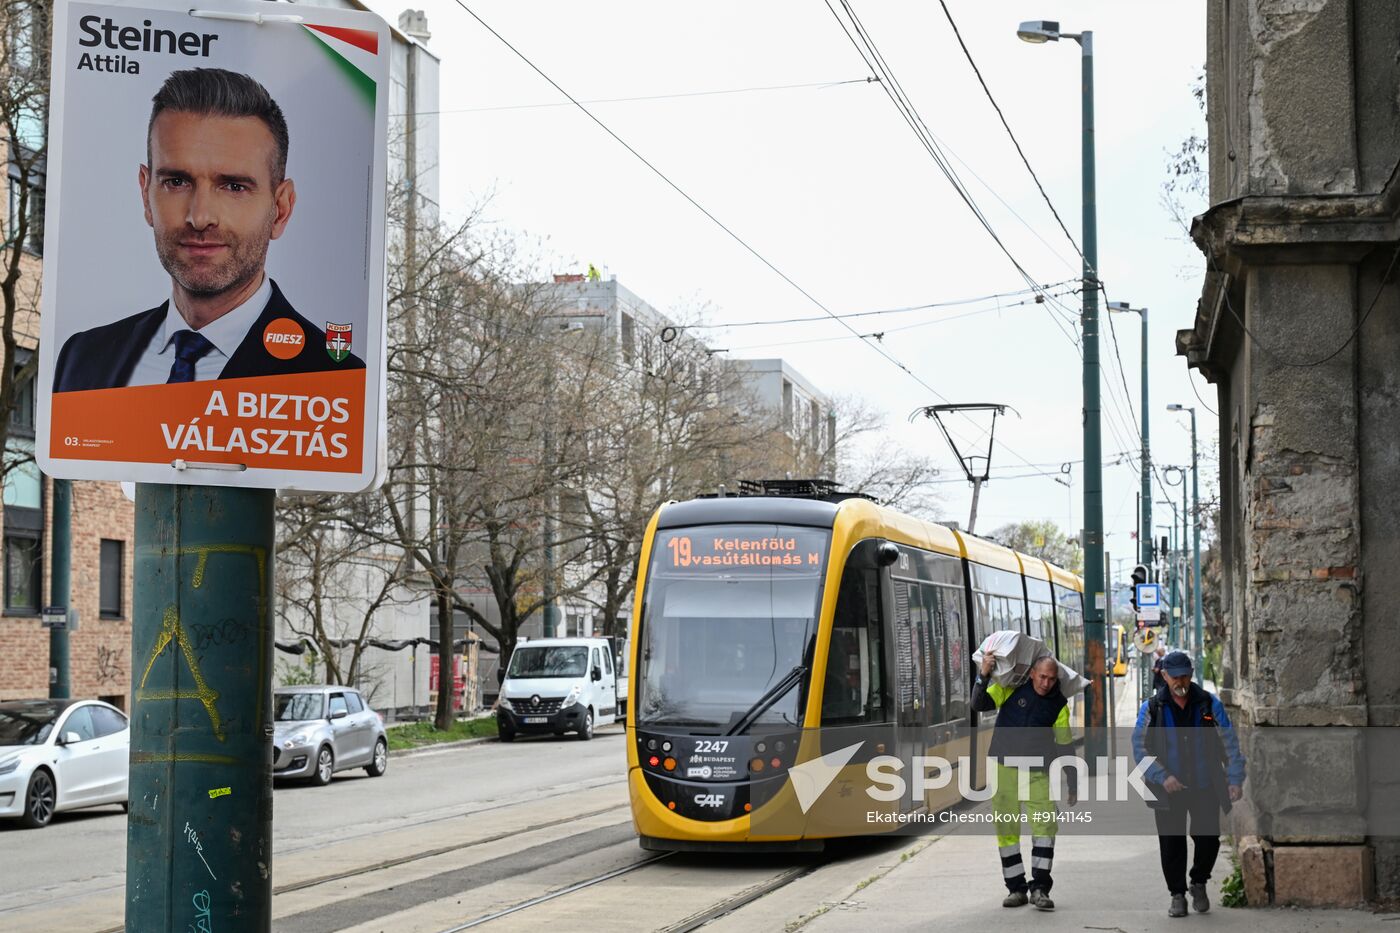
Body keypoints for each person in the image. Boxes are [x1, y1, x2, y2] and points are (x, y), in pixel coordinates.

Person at [53, 68, 364, 392]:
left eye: (233, 186)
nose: (200, 217)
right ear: (146, 194)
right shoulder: (83, 357)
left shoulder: (336, 381)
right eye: (177, 182)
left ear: (281, 209)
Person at [1131, 650, 1246, 918]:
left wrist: (1235, 778)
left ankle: (1198, 881)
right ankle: (1177, 894)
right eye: (1176, 677)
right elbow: (1140, 749)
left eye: (1185, 675)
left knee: (1208, 840)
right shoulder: (1152, 708)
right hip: (1167, 789)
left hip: (1205, 786)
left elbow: (1230, 743)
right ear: (1165, 676)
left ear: (1191, 674)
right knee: (1172, 843)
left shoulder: (1208, 704)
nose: (1181, 682)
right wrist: (1162, 777)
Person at [971, 652, 1076, 911]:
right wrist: (983, 674)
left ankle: (1040, 888)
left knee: (1045, 827)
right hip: (1003, 767)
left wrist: (1073, 782)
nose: (1046, 683)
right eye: (1042, 677)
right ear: (1032, 674)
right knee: (1007, 830)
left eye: (1052, 679)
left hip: (1035, 771)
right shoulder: (1009, 689)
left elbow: (1065, 745)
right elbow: (979, 703)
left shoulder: (1059, 705)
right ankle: (1015, 888)